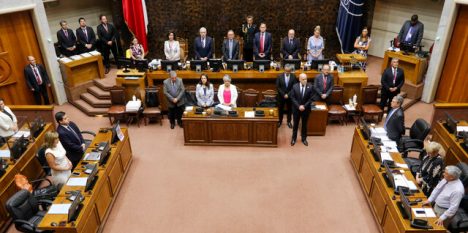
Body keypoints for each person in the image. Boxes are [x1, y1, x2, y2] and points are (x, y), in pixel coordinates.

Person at [290, 73, 315, 146]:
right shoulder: (295, 86)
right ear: (299, 79)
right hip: (296, 109)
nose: (305, 81)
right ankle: (293, 138)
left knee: (304, 125)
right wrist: (298, 106)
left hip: (306, 109)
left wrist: (304, 106)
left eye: (306, 79)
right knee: (295, 125)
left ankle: (304, 139)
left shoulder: (310, 87)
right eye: (303, 79)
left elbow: (311, 98)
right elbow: (292, 98)